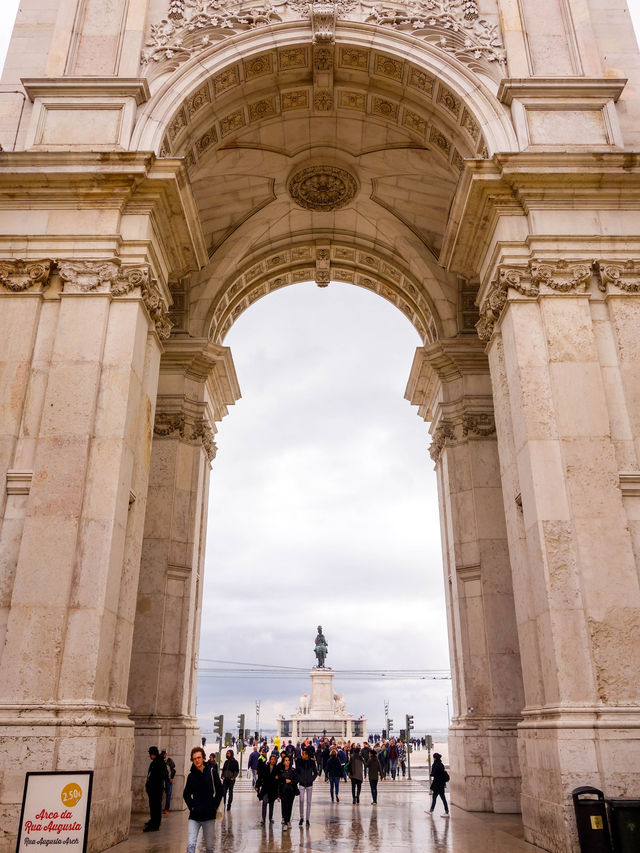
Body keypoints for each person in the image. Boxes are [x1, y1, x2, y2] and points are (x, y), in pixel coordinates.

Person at [183, 746, 223, 853]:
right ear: (192, 760)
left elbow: (220, 790)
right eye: (195, 758)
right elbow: (186, 794)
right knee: (191, 845)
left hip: (209, 816)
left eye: (199, 757)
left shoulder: (211, 772)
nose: (197, 760)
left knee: (209, 847)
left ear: (203, 758)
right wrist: (192, 806)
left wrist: (213, 807)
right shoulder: (191, 776)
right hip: (194, 816)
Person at [144, 746, 168, 832]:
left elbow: (164, 775)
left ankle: (155, 824)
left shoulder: (159, 762)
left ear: (152, 754)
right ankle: (153, 821)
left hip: (156, 789)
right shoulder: (155, 762)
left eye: (150, 753)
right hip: (153, 789)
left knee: (156, 807)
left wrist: (154, 785)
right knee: (153, 806)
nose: (149, 755)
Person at [296, 746, 318, 826]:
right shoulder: (299, 761)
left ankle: (307, 819)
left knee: (309, 802)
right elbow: (297, 772)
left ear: (307, 755)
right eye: (302, 754)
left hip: (309, 784)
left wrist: (311, 779)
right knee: (301, 800)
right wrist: (299, 779)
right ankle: (301, 817)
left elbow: (315, 772)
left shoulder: (312, 762)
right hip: (301, 783)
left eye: (304, 754)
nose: (302, 755)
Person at [276, 754, 299, 829]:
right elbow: (279, 783)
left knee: (289, 806)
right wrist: (278, 795)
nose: (287, 762)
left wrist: (291, 781)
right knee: (284, 806)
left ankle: (288, 820)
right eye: (286, 760)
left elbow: (296, 780)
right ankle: (285, 822)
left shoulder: (293, 770)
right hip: (283, 791)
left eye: (288, 760)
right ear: (283, 762)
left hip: (291, 791)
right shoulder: (281, 771)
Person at [257, 753, 279, 825]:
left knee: (271, 803)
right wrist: (257, 785)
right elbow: (261, 777)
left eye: (274, 760)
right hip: (265, 788)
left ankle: (270, 817)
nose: (272, 761)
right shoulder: (265, 767)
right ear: (269, 760)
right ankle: (263, 818)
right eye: (271, 759)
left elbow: (278, 778)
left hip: (272, 789)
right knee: (264, 802)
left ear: (275, 761)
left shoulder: (276, 768)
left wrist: (277, 778)